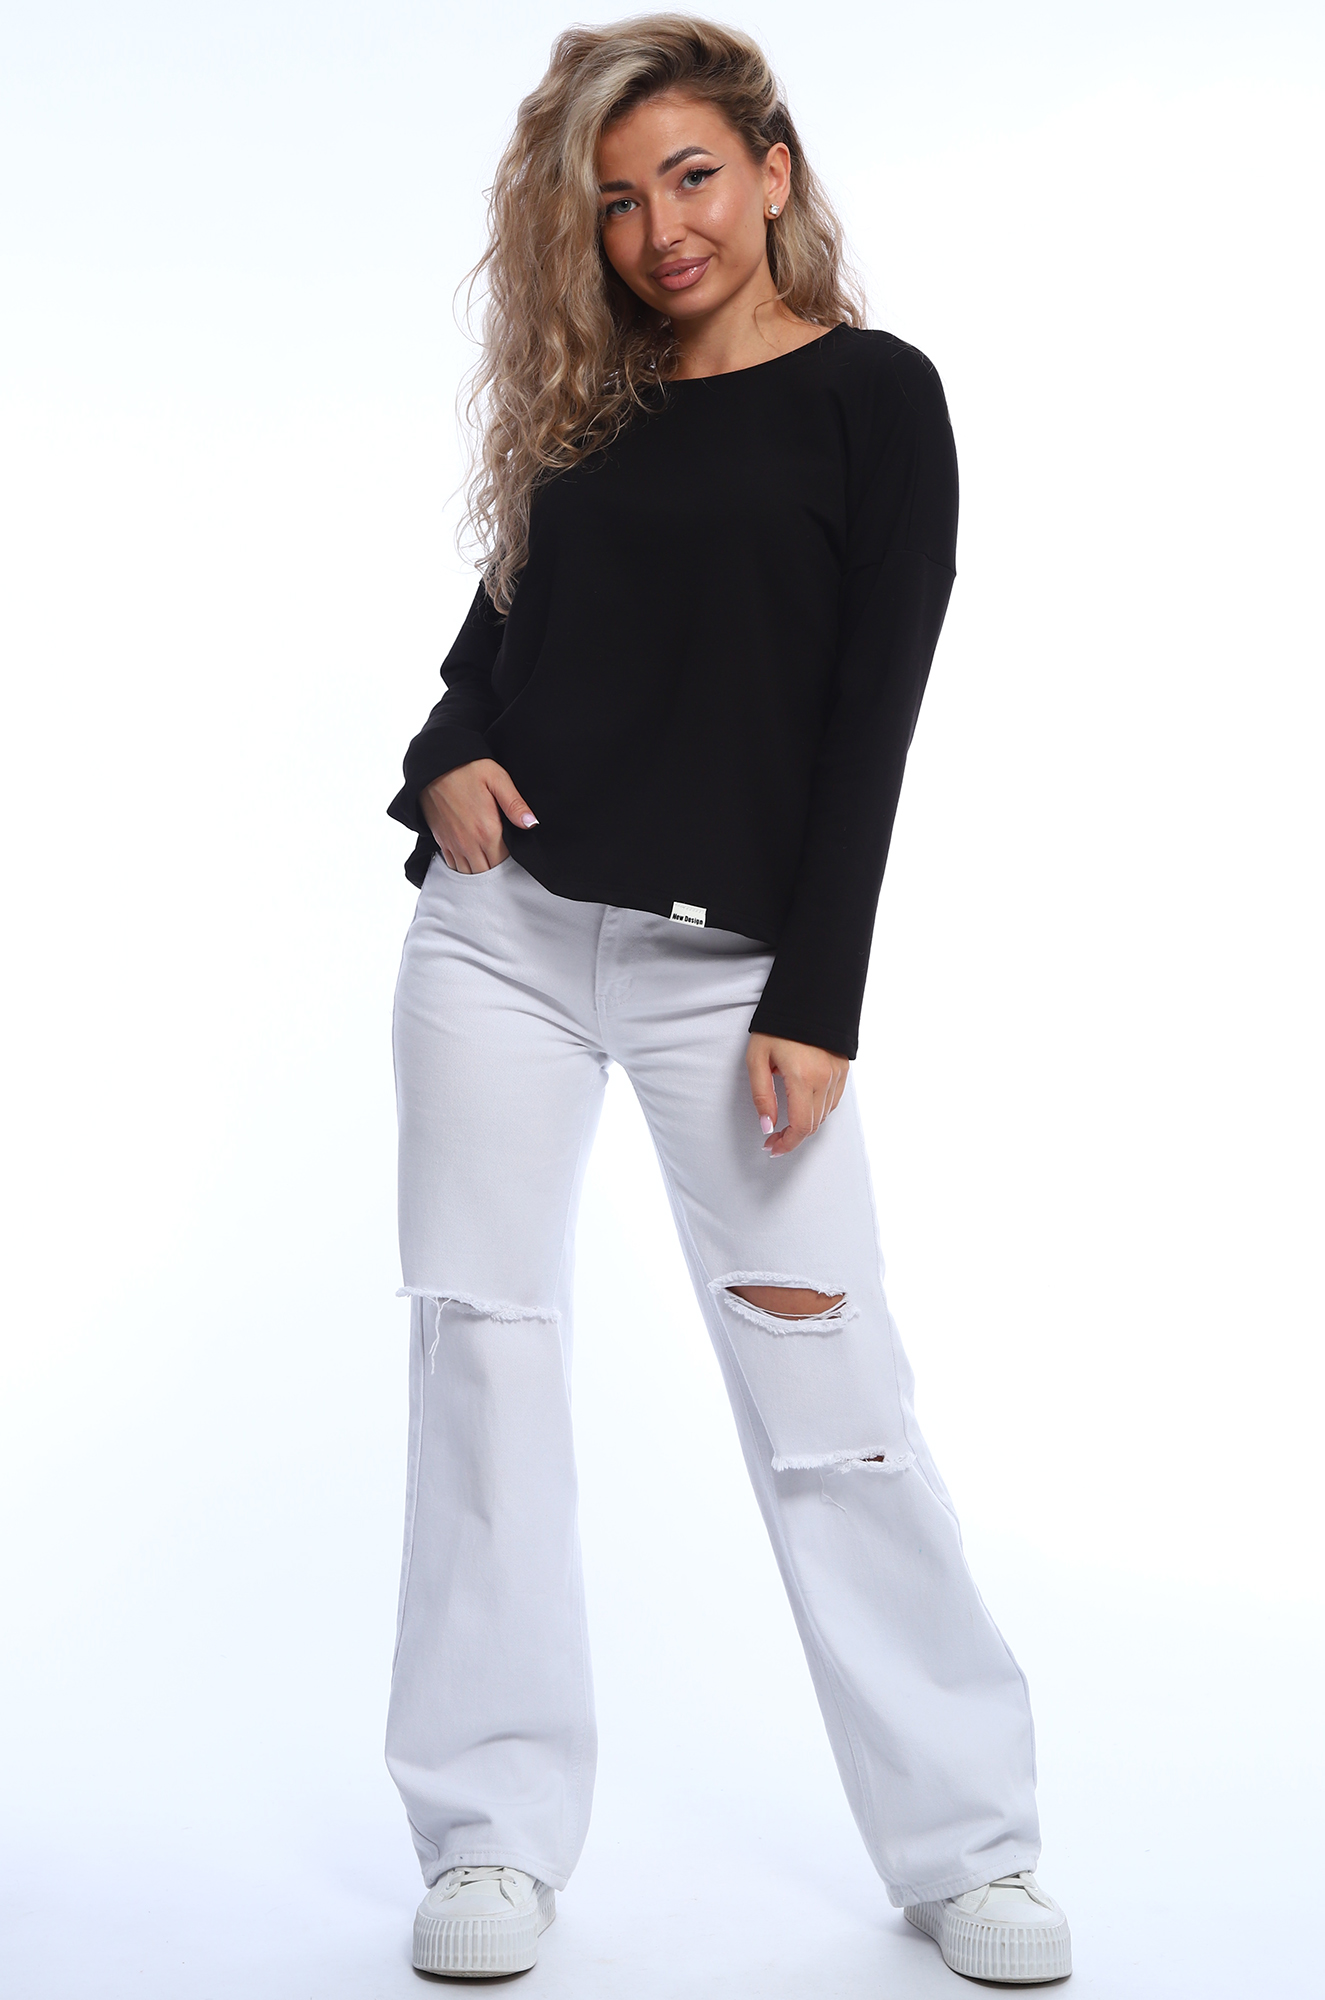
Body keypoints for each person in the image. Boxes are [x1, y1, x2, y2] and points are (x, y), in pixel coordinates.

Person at [385, 15, 1071, 1986]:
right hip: (502, 943)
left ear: (772, 170)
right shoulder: (586, 411)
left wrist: (818, 999)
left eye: (689, 176)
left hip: (735, 979)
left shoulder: (876, 397)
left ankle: (967, 1842)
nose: (658, 228)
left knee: (828, 1393)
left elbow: (872, 717)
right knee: (482, 1357)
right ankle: (487, 1832)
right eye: (615, 202)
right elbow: (488, 657)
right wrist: (442, 759)